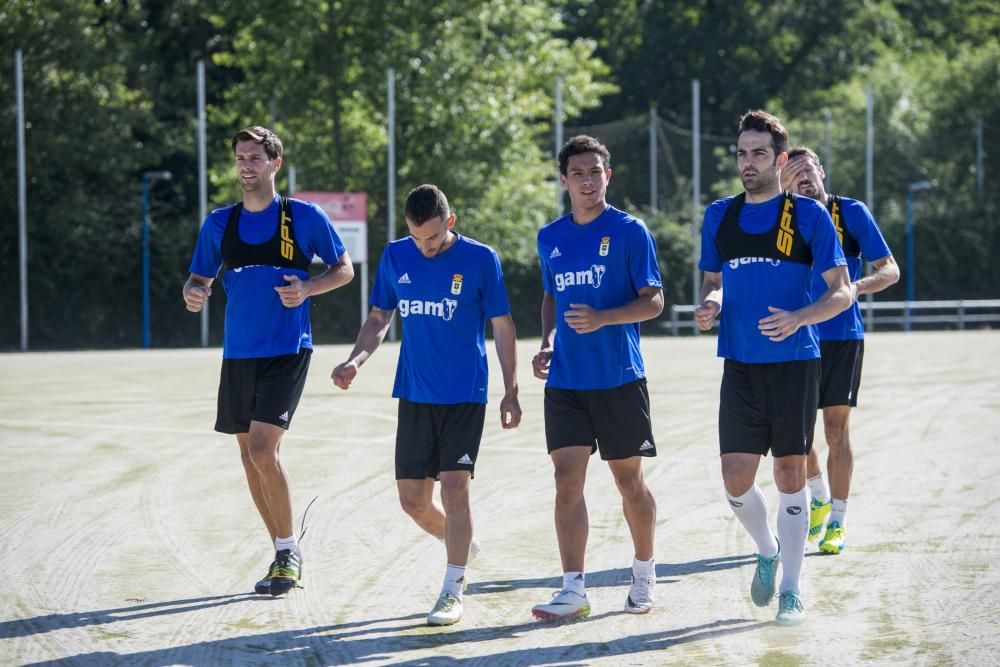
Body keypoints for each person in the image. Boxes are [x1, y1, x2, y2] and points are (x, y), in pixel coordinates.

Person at [331, 184, 521, 627]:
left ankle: (453, 588)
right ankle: (462, 544)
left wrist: (511, 390)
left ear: (449, 222)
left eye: (433, 238)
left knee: (454, 490)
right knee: (413, 501)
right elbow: (380, 318)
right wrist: (355, 359)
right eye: (417, 238)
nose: (425, 247)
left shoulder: (480, 259)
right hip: (414, 393)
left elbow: (503, 325)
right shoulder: (397, 256)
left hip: (464, 394)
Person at [694, 111, 853, 625]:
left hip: (795, 364)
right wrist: (712, 304)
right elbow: (712, 281)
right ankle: (766, 549)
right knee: (735, 479)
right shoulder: (720, 214)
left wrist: (801, 317)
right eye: (742, 153)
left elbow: (842, 290)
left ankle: (791, 588)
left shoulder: (808, 216)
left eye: (759, 153)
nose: (748, 162)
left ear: (780, 160)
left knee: (789, 472)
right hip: (739, 364)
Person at [183, 126, 354, 596]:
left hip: (287, 348)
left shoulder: (302, 216)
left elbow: (344, 269)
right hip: (239, 351)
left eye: (255, 158)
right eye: (240, 158)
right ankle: (280, 550)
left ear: (275, 164)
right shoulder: (219, 223)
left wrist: (308, 288)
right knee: (248, 457)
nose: (246, 166)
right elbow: (197, 278)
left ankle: (288, 550)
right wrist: (193, 293)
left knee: (263, 450)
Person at [530, 135, 664, 621]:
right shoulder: (550, 237)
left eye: (596, 172)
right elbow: (550, 297)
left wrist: (605, 317)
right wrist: (547, 341)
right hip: (566, 381)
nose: (588, 181)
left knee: (629, 481)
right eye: (578, 173)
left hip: (618, 378)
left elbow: (654, 301)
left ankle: (645, 575)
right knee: (567, 479)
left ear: (609, 175)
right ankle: (573, 590)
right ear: (564, 180)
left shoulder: (630, 232)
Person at [780, 146, 899, 554]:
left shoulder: (850, 212)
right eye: (793, 172)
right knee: (795, 432)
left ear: (822, 172)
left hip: (842, 335)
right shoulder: (782, 218)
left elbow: (890, 270)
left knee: (835, 430)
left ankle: (838, 521)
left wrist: (853, 289)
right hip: (796, 334)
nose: (803, 178)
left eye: (808, 169)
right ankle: (818, 495)